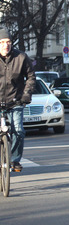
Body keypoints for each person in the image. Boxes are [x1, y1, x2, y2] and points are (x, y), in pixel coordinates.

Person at [0, 28, 36, 173]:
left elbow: (31, 77)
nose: (5, 45)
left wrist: (25, 96)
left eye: (8, 42)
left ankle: (15, 160)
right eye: (2, 42)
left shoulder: (21, 57)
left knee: (19, 131)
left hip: (15, 101)